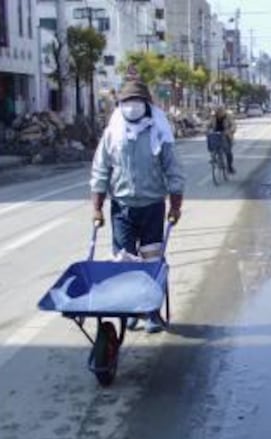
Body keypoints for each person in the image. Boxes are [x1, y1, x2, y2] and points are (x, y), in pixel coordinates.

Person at [90, 77, 185, 333]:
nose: (131, 106)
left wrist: (175, 205)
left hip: (153, 206)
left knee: (151, 261)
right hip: (122, 207)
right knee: (125, 262)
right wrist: (97, 207)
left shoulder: (159, 133)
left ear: (146, 105)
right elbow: (101, 171)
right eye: (126, 102)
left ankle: (152, 312)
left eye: (136, 102)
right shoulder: (113, 134)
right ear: (120, 105)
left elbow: (173, 171)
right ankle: (131, 309)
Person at [209, 106, 237, 173]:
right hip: (216, 134)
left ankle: (229, 167)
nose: (219, 113)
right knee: (212, 143)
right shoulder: (213, 117)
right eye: (218, 112)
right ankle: (214, 157)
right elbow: (208, 125)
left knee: (228, 152)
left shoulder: (228, 116)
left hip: (226, 135)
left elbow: (233, 125)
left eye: (221, 111)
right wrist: (206, 130)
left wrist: (229, 131)